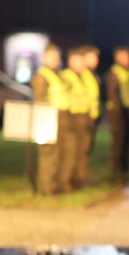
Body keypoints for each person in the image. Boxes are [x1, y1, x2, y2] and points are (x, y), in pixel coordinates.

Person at [31, 43, 70, 195]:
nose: (55, 59)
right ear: (44, 58)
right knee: (49, 155)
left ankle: (57, 184)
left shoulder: (58, 74)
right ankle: (47, 187)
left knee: (60, 154)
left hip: (61, 118)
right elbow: (40, 101)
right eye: (52, 56)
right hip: (48, 119)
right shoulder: (43, 76)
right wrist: (45, 123)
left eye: (57, 56)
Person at [105, 46, 129, 183]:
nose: (128, 59)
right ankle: (116, 170)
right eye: (125, 56)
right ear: (117, 58)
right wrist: (117, 111)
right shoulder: (114, 72)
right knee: (118, 141)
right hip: (118, 111)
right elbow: (113, 94)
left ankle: (126, 168)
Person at [60, 47, 92, 191]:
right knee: (71, 151)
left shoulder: (85, 75)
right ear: (71, 61)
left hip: (85, 116)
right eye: (79, 61)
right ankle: (67, 181)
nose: (82, 64)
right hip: (72, 117)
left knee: (83, 150)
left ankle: (81, 178)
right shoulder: (66, 76)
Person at [81, 45, 102, 164]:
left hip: (92, 115)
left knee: (87, 146)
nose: (96, 60)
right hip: (84, 115)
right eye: (93, 57)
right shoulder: (83, 75)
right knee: (82, 147)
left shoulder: (92, 74)